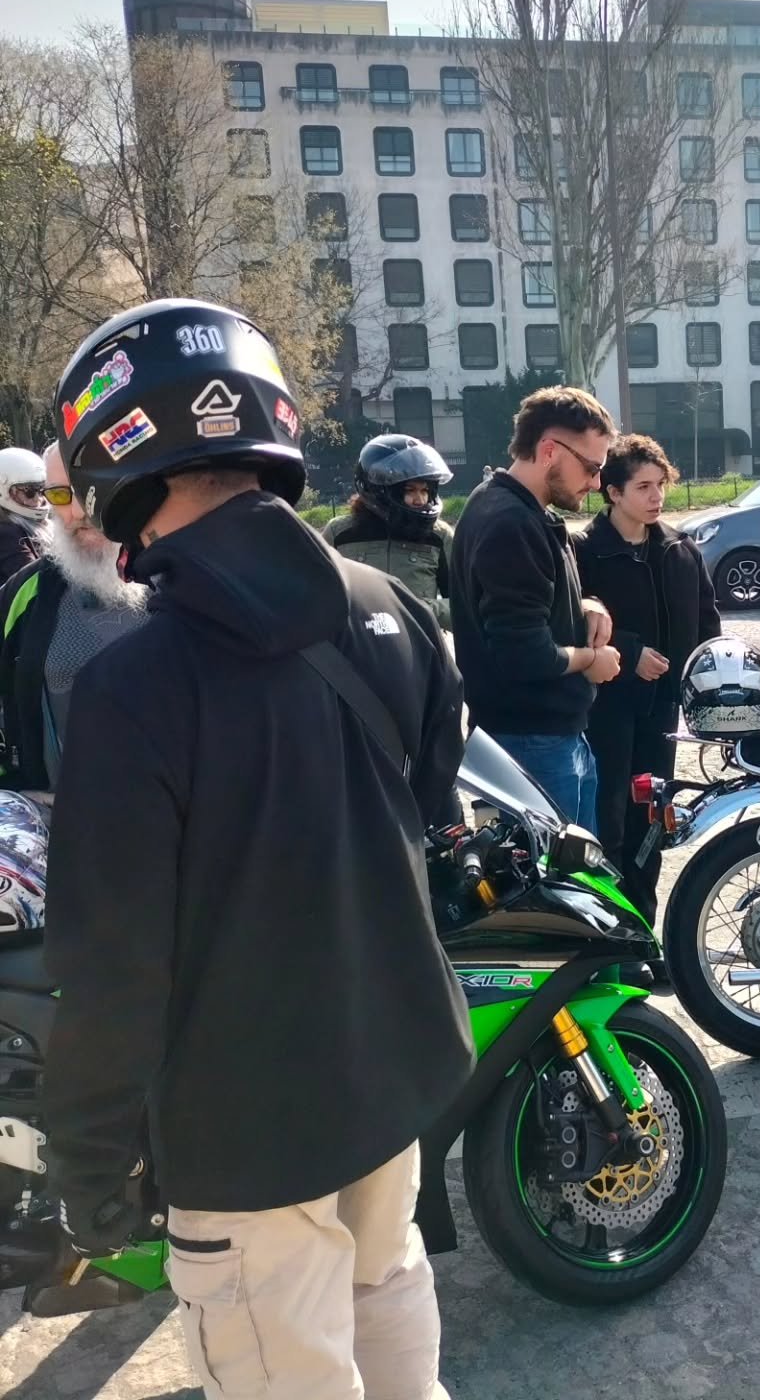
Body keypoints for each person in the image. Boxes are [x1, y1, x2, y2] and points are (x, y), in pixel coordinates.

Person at [45, 298, 473, 1399]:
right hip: (390, 1078)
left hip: (244, 1130)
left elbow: (114, 966)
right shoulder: (396, 608)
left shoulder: (128, 688)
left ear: (115, 461)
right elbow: (425, 815)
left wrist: (88, 1163)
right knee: (398, 1337)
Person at [451, 386, 620, 834]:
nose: (596, 483)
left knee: (575, 870)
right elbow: (523, 653)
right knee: (557, 877)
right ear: (549, 451)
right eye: (592, 467)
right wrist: (592, 660)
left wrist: (585, 604)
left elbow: (524, 604)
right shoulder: (511, 522)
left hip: (542, 736)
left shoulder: (508, 506)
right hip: (531, 741)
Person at [575, 434, 721, 922]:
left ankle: (642, 925)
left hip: (663, 711)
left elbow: (707, 623)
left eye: (661, 484)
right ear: (613, 492)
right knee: (607, 821)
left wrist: (704, 683)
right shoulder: (583, 552)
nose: (657, 496)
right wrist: (630, 650)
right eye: (643, 487)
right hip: (605, 710)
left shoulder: (681, 549)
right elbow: (568, 621)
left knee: (652, 820)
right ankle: (604, 929)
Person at [0, 442, 149, 799]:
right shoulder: (26, 592)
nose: (79, 510)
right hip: (60, 819)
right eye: (59, 494)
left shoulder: (185, 578)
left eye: (90, 486)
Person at [322, 433, 455, 627]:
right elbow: (316, 597)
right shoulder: (339, 533)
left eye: (425, 490)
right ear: (378, 490)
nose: (420, 500)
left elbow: (465, 604)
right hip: (359, 643)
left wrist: (423, 610)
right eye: (409, 490)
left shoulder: (439, 536)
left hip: (421, 643)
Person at [0, 448, 50, 584]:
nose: (39, 499)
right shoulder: (7, 534)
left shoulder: (34, 523)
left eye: (41, 490)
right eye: (30, 491)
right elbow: (35, 582)